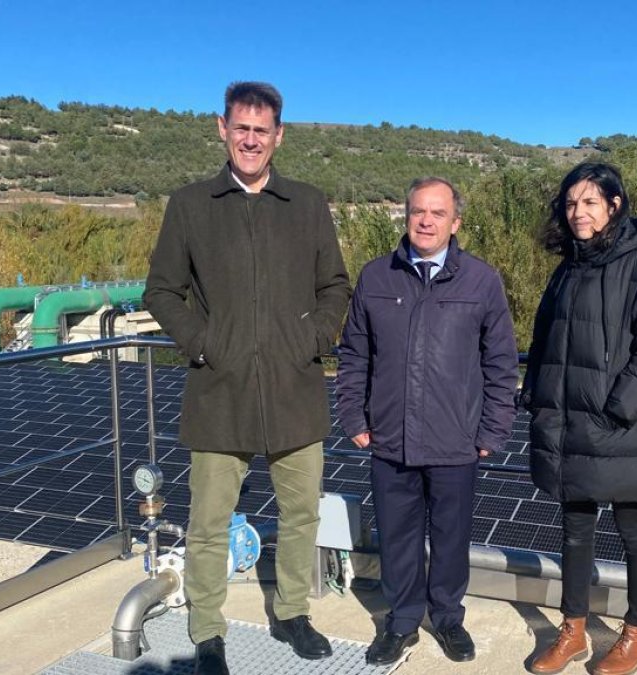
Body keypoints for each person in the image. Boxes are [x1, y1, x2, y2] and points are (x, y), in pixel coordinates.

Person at [143, 81, 351, 675]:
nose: (251, 140)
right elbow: (162, 290)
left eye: (262, 131)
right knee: (208, 525)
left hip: (295, 387)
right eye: (242, 128)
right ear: (222, 128)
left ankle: (292, 614)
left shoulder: (307, 204)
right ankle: (208, 630)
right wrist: (204, 343)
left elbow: (335, 286)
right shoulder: (190, 205)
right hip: (220, 391)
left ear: (279, 135)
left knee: (301, 515)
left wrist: (313, 339)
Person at [336, 177, 518, 666]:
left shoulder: (481, 281)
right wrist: (353, 416)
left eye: (437, 213)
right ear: (406, 215)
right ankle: (400, 622)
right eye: (418, 211)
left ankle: (448, 619)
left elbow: (501, 363)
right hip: (389, 438)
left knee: (452, 539)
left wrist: (492, 431)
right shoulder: (376, 278)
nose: (426, 221)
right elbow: (355, 354)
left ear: (455, 223)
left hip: (455, 441)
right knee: (396, 538)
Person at [518, 162, 637, 675]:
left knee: (634, 526)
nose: (578, 213)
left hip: (621, 426)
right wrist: (537, 395)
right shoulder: (567, 266)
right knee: (574, 528)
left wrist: (618, 408)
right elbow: (547, 341)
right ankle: (573, 631)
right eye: (570, 203)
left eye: (589, 202)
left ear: (614, 205)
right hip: (571, 422)